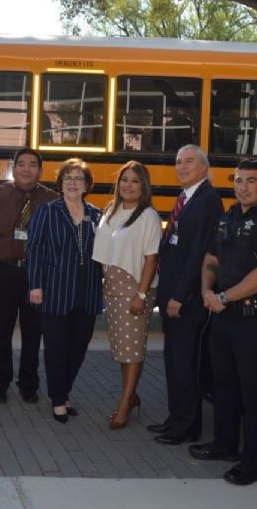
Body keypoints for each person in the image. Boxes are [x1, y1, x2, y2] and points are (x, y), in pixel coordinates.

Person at [190, 159, 257, 486]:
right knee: (223, 385)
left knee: (253, 392)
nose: (243, 187)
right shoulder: (228, 217)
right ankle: (225, 444)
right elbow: (211, 259)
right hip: (222, 315)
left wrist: (223, 297)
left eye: (251, 181)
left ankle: (254, 461)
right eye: (238, 180)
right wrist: (207, 290)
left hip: (252, 320)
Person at [0, 148, 58, 403]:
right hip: (0, 273)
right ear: (14, 168)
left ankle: (28, 385)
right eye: (21, 164)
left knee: (33, 334)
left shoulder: (52, 200)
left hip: (36, 276)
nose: (27, 168)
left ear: (40, 170)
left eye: (32, 164)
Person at [149, 144, 223, 444]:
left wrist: (180, 295)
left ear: (204, 167)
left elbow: (198, 255)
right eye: (178, 162)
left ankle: (187, 425)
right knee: (173, 362)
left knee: (185, 365)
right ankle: (175, 416)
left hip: (187, 301)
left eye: (189, 162)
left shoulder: (208, 200)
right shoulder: (186, 197)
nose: (182, 167)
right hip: (172, 295)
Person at [27, 158, 103, 423]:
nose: (73, 183)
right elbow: (34, 248)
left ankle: (64, 391)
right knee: (57, 348)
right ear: (60, 183)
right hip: (55, 290)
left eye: (78, 179)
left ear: (86, 185)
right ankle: (58, 399)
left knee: (78, 347)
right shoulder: (47, 211)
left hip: (88, 291)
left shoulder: (96, 214)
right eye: (68, 178)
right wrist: (35, 284)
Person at [92, 161, 162, 429]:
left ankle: (124, 405)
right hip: (112, 288)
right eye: (124, 180)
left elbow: (152, 258)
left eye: (135, 181)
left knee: (132, 350)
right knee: (122, 349)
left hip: (135, 289)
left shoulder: (148, 216)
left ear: (143, 186)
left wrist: (141, 296)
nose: (128, 185)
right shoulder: (111, 210)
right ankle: (130, 396)